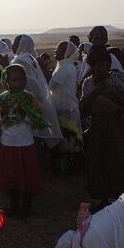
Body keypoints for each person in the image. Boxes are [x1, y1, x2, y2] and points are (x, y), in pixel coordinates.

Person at [0, 64, 49, 219]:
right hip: (9, 142)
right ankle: (14, 205)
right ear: (7, 81)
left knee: (27, 175)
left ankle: (26, 207)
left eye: (21, 80)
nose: (17, 83)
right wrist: (3, 114)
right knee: (12, 175)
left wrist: (25, 115)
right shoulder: (3, 98)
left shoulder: (29, 98)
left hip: (25, 143)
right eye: (14, 80)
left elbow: (38, 118)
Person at [80, 46, 124, 207]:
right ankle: (102, 199)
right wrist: (95, 94)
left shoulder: (115, 80)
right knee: (98, 163)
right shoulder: (88, 83)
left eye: (107, 65)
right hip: (97, 129)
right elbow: (84, 105)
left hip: (116, 130)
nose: (104, 68)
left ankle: (118, 201)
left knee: (117, 162)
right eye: (100, 65)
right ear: (93, 66)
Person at [12, 34, 63, 149]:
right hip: (39, 101)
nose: (12, 46)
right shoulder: (30, 58)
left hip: (28, 104)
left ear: (22, 45)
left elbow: (21, 83)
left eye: (15, 44)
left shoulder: (19, 59)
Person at [49, 41, 82, 173]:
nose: (55, 51)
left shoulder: (64, 67)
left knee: (68, 140)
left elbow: (52, 86)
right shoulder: (65, 65)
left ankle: (68, 168)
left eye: (59, 49)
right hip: (65, 106)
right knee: (69, 139)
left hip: (65, 109)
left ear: (67, 53)